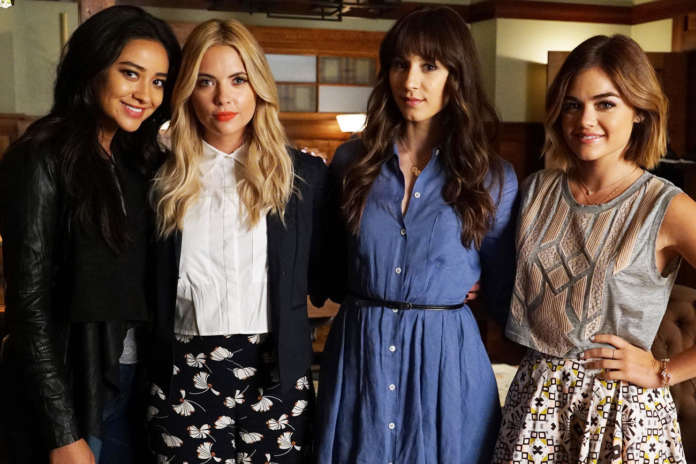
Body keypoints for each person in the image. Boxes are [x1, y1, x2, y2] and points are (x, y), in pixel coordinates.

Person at [315, 7, 518, 463]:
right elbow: (330, 264)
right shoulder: (351, 162)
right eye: (399, 64)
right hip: (361, 354)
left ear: (456, 75)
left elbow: (502, 287)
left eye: (429, 66)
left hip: (447, 362)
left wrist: (449, 282)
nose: (410, 81)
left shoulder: (492, 177)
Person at [494, 34, 696, 463]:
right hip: (535, 403)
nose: (585, 120)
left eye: (605, 104)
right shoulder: (535, 190)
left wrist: (663, 371)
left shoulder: (666, 207)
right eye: (573, 104)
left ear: (639, 111)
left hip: (621, 415)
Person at [0, 6, 181, 464]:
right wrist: (62, 432)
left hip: (134, 384)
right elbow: (28, 307)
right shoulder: (40, 156)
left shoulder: (137, 161)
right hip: (73, 394)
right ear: (93, 67)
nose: (145, 94)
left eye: (158, 81)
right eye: (130, 73)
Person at [146, 18, 326, 464]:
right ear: (187, 91)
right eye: (205, 81)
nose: (223, 98)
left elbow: (331, 270)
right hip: (183, 371)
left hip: (276, 370)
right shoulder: (157, 178)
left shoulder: (304, 176)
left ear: (258, 86)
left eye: (238, 80)